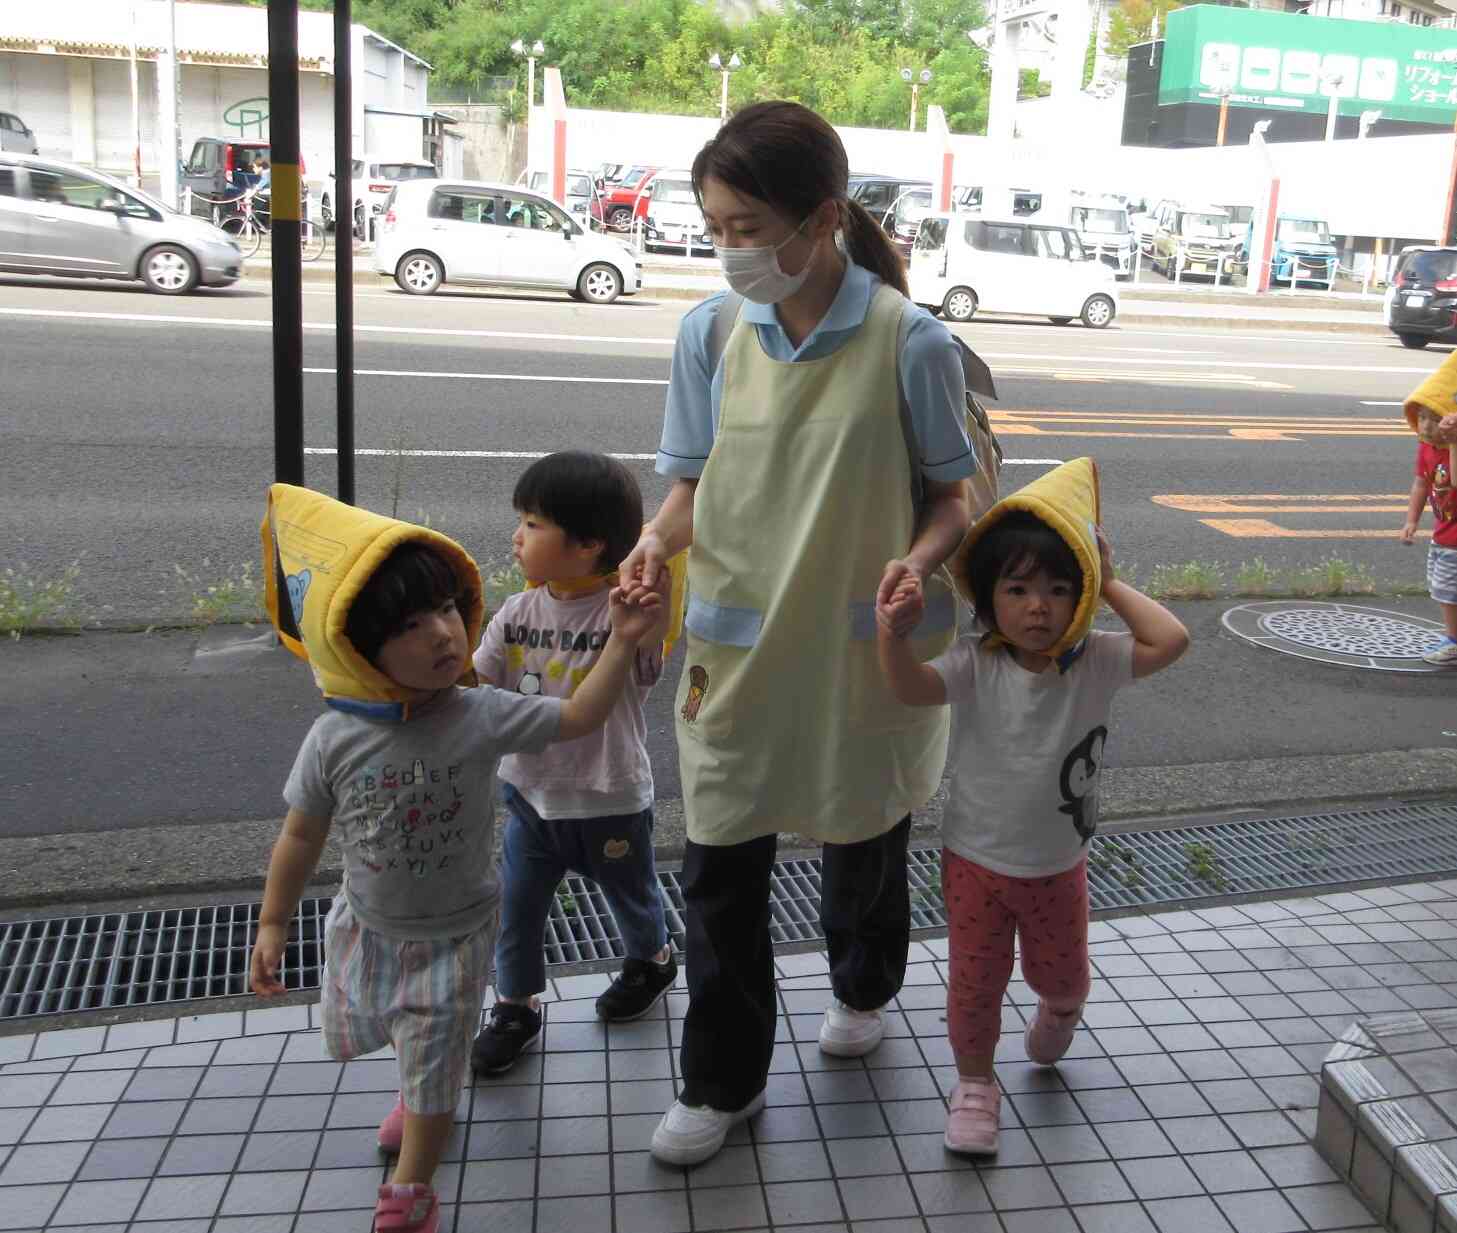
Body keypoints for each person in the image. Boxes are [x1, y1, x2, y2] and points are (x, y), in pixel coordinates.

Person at [616, 100, 977, 1167]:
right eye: (715, 226)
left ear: (821, 219)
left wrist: (915, 561)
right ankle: (719, 1082)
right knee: (718, 868)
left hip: (859, 650)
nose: (728, 249)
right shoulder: (707, 333)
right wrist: (649, 541)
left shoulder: (908, 341)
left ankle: (863, 982)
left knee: (862, 836)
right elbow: (687, 485)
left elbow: (952, 498)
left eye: (745, 227)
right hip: (734, 650)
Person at [249, 484, 665, 1233]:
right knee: (394, 1031)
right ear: (355, 644)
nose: (443, 633)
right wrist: (274, 920)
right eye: (411, 624)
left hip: (456, 932)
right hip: (369, 926)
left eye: (446, 610)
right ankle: (415, 1093)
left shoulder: (478, 712)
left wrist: (625, 638)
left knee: (439, 1056)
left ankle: (412, 1191)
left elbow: (579, 714)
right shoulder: (335, 738)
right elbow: (301, 834)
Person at [876, 459, 1189, 1155]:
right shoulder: (974, 662)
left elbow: (1170, 639)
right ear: (988, 598)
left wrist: (1106, 578)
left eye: (1057, 588)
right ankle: (973, 1085)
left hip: (1055, 865)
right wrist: (890, 638)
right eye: (1016, 589)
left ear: (1079, 599)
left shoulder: (1098, 660)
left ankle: (1061, 1007)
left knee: (1061, 974)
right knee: (973, 982)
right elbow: (909, 690)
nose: (1037, 606)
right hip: (974, 860)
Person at [469, 452, 676, 1076]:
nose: (518, 535)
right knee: (519, 906)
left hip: (609, 795)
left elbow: (643, 673)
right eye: (522, 520)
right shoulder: (516, 613)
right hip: (529, 797)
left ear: (589, 544)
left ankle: (653, 958)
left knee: (632, 894)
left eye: (534, 524)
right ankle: (516, 1004)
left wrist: (646, 622)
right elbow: (474, 685)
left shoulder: (629, 609)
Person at [1400, 404, 1457, 667]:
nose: (1426, 426)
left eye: (1435, 419)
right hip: (1442, 532)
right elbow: (1421, 483)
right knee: (1441, 587)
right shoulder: (1427, 448)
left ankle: (1454, 642)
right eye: (1421, 418)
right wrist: (1412, 520)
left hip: (1454, 539)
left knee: (1447, 592)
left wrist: (1454, 443)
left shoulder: (1451, 449)